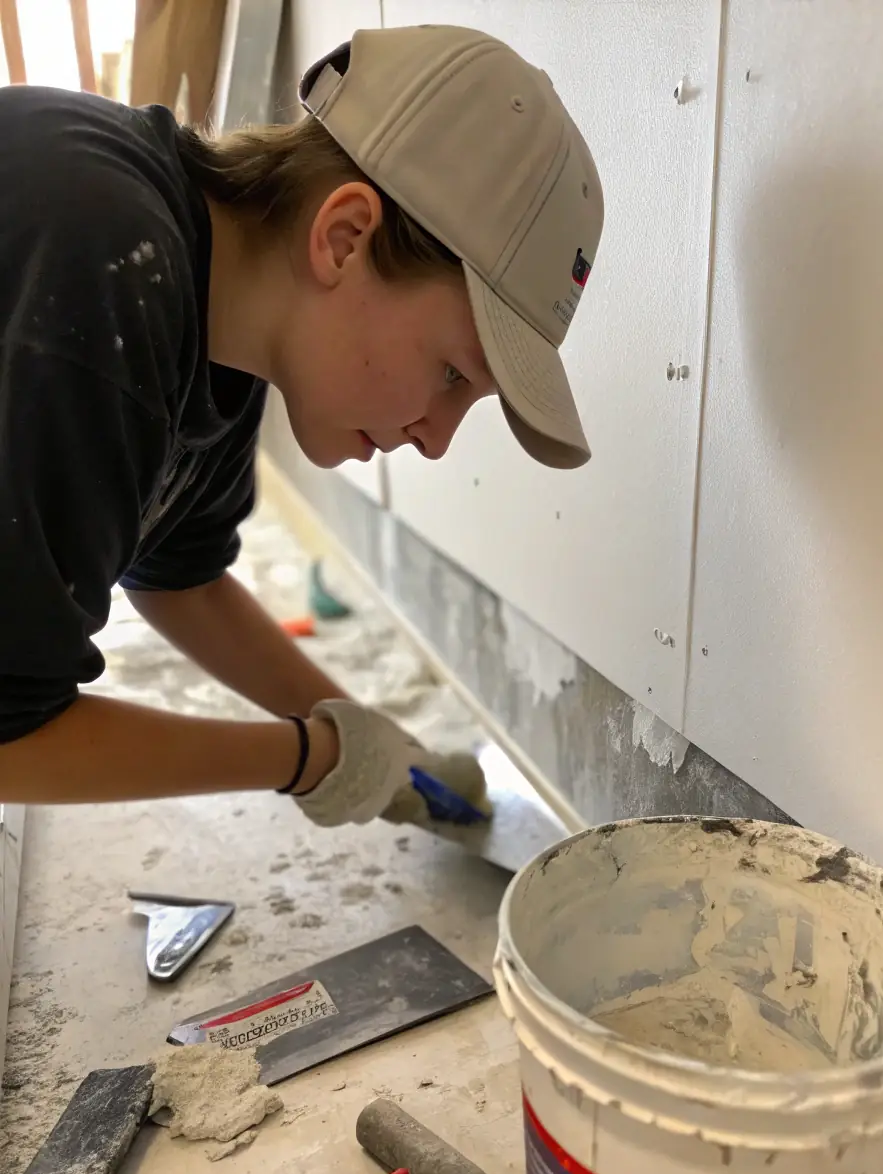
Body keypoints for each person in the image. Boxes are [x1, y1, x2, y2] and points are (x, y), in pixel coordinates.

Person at [0, 24, 603, 828]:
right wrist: (311, 757)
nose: (436, 439)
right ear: (345, 238)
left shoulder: (222, 337)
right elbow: (9, 731)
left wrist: (380, 743)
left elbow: (182, 581)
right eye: (452, 375)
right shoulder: (102, 264)